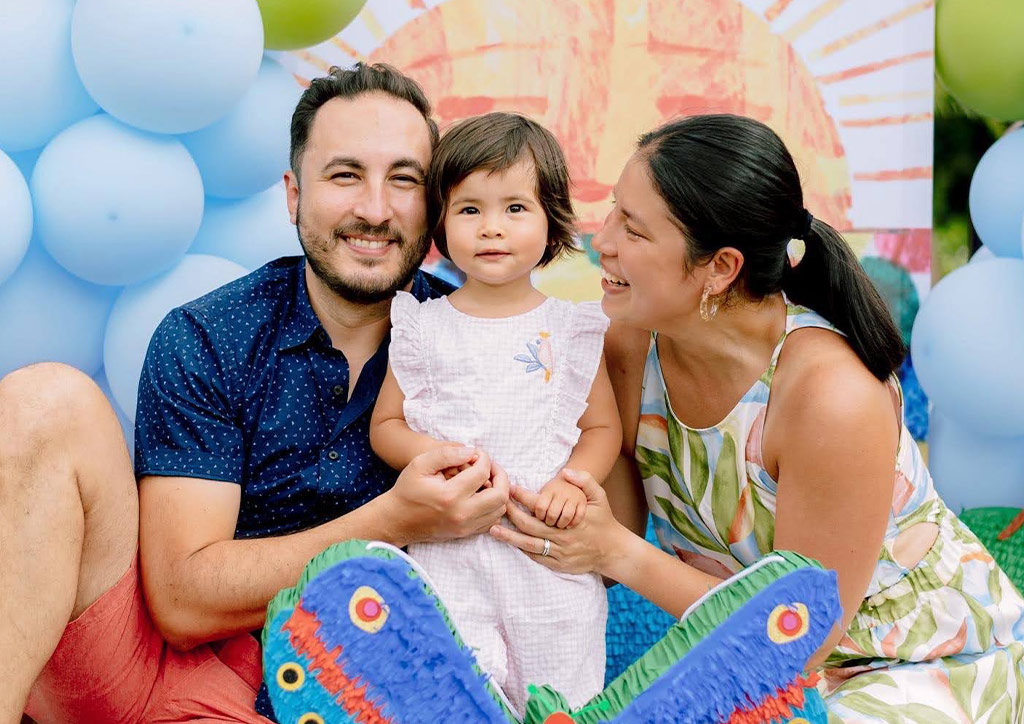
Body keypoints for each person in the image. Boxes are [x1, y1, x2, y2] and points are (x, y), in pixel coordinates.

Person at [0, 63, 511, 724]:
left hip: (364, 697)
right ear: (294, 195)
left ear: (435, 202)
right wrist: (392, 522)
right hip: (163, 673)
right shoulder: (210, 337)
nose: (376, 209)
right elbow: (182, 602)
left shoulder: (487, 340)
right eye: (345, 175)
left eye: (404, 180)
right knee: (45, 400)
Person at [490, 114, 1024, 722]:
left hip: (908, 662)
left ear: (720, 267)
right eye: (613, 211)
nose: (602, 241)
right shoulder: (627, 341)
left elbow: (802, 637)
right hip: (741, 661)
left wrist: (616, 553)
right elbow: (607, 511)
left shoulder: (830, 395)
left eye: (634, 231)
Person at [369, 112, 621, 712]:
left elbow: (602, 427)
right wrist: (440, 457)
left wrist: (572, 482)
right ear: (441, 222)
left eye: (515, 208)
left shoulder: (570, 327)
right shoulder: (423, 325)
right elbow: (386, 426)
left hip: (545, 557)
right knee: (453, 698)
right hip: (449, 555)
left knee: (562, 700)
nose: (492, 229)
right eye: (470, 209)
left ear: (551, 218)